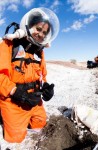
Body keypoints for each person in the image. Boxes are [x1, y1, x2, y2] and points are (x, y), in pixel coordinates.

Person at [0, 7, 59, 143]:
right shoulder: (8, 45)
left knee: (40, 124)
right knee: (15, 138)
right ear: (28, 25)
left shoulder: (39, 52)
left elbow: (42, 76)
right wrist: (17, 92)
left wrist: (46, 87)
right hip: (13, 101)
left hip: (34, 100)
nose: (40, 34)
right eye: (38, 29)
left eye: (44, 32)